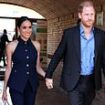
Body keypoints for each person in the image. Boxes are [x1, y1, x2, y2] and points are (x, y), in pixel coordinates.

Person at [45, 1, 105, 105]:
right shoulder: (69, 34)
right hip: (74, 80)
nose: (90, 17)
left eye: (92, 14)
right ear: (80, 15)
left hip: (91, 81)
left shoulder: (101, 35)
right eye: (86, 14)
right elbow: (58, 55)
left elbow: (104, 60)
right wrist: (49, 75)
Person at [2, 16, 45, 105]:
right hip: (16, 85)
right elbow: (9, 68)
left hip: (31, 85)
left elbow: (37, 67)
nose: (28, 30)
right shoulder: (11, 46)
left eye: (30, 27)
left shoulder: (37, 45)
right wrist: (4, 90)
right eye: (24, 27)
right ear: (18, 29)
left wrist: (47, 76)